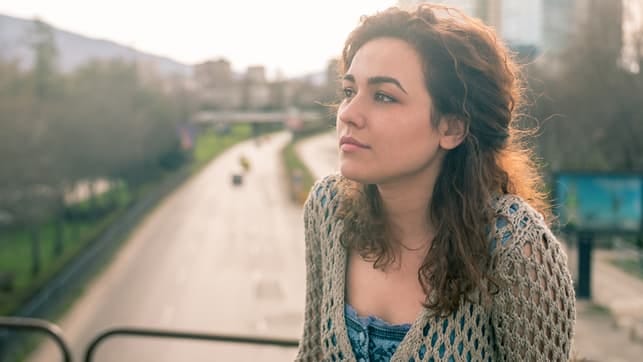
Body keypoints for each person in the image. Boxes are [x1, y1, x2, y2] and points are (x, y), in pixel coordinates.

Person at [295, 4, 575, 362]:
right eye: (350, 91)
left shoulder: (516, 249)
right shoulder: (328, 210)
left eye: (384, 96)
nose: (348, 114)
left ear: (451, 128)